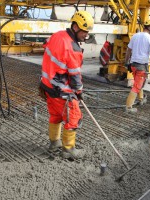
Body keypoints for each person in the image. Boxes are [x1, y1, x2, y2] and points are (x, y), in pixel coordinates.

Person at [39, 11, 94, 160]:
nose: (86, 35)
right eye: (84, 31)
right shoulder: (74, 49)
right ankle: (68, 150)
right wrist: (79, 91)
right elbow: (75, 76)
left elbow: (48, 50)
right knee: (74, 117)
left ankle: (54, 142)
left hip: (47, 86)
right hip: (61, 91)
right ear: (75, 27)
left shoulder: (57, 35)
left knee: (56, 116)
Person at [124, 19, 150, 113]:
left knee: (138, 83)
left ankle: (141, 99)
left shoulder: (135, 36)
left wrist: (126, 62)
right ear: (149, 27)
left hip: (133, 65)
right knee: (137, 86)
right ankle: (128, 107)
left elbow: (128, 50)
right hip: (141, 66)